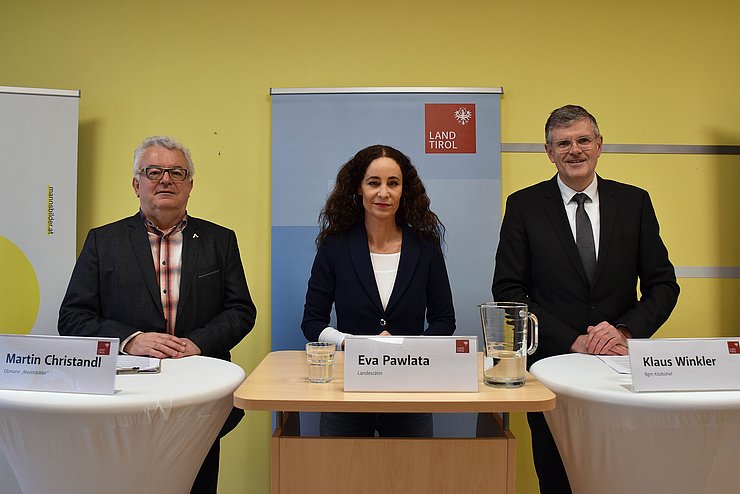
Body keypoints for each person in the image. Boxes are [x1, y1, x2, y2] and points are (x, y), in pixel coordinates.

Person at [492, 105, 679, 494]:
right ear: (548, 151)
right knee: (556, 473)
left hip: (621, 367)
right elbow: (509, 291)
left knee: (623, 474)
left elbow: (663, 285)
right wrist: (572, 339)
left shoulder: (635, 202)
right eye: (563, 143)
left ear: (599, 145)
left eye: (582, 140)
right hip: (551, 367)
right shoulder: (524, 206)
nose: (574, 150)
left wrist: (625, 331)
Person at [58, 135, 257, 494]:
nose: (165, 180)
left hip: (199, 399)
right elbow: (73, 317)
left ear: (190, 185)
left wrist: (198, 342)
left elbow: (241, 310)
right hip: (124, 401)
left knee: (197, 485)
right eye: (153, 172)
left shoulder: (219, 240)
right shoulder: (104, 241)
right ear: (137, 184)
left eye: (177, 172)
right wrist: (131, 340)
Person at [301, 144, 455, 437]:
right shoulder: (335, 246)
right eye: (374, 183)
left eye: (393, 184)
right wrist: (352, 343)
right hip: (347, 387)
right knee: (341, 479)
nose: (383, 193)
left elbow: (444, 320)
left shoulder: (425, 246)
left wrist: (407, 349)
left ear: (403, 191)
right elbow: (312, 322)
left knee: (410, 480)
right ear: (358, 188)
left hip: (409, 388)